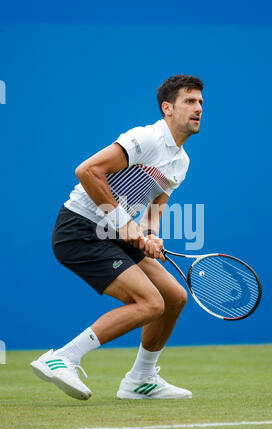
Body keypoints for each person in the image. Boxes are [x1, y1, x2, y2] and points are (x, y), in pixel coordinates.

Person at [30, 74, 204, 400]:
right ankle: (62, 357)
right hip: (80, 229)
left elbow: (155, 209)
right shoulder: (146, 139)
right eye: (189, 101)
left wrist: (151, 235)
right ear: (167, 108)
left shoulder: (181, 162)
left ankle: (141, 379)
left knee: (173, 297)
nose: (198, 109)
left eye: (200, 103)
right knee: (150, 303)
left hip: (114, 232)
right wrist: (126, 224)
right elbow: (87, 171)